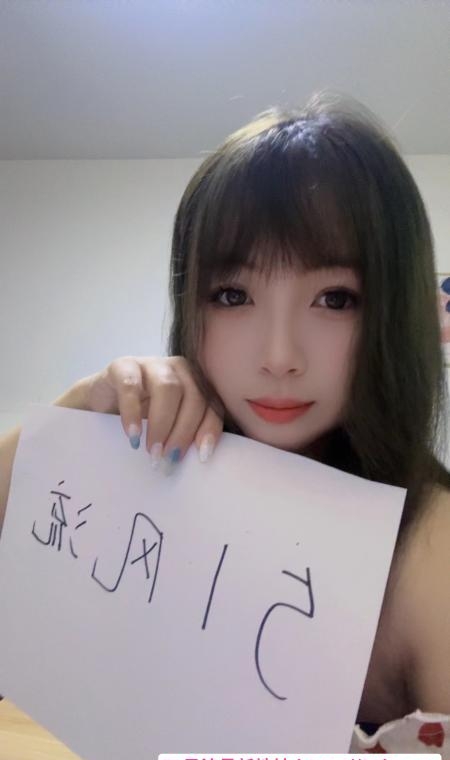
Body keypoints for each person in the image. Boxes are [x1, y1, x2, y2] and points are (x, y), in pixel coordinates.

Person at [1, 90, 449, 751]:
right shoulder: (151, 464)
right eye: (233, 294)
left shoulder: (429, 544)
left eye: (336, 298)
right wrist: (76, 409)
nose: (279, 356)